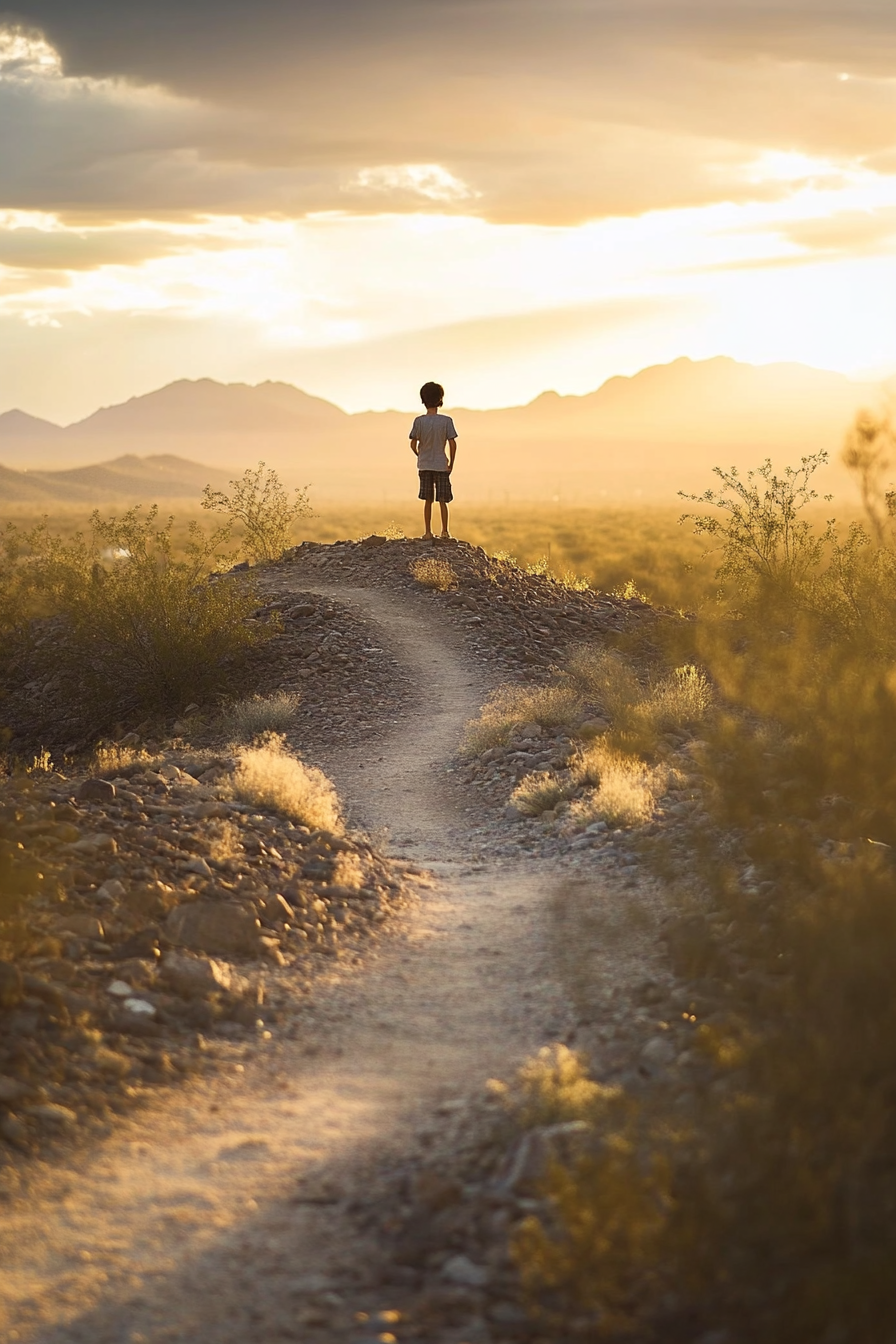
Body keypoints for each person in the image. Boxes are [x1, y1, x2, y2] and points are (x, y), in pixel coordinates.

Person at [409, 381, 458, 540]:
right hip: (440, 464)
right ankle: (445, 531)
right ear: (440, 400)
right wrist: (451, 462)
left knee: (427, 500)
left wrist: (420, 455)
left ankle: (428, 532)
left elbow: (412, 443)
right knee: (443, 499)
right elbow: (452, 442)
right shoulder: (446, 421)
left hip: (425, 464)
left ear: (423, 400)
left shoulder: (419, 421)